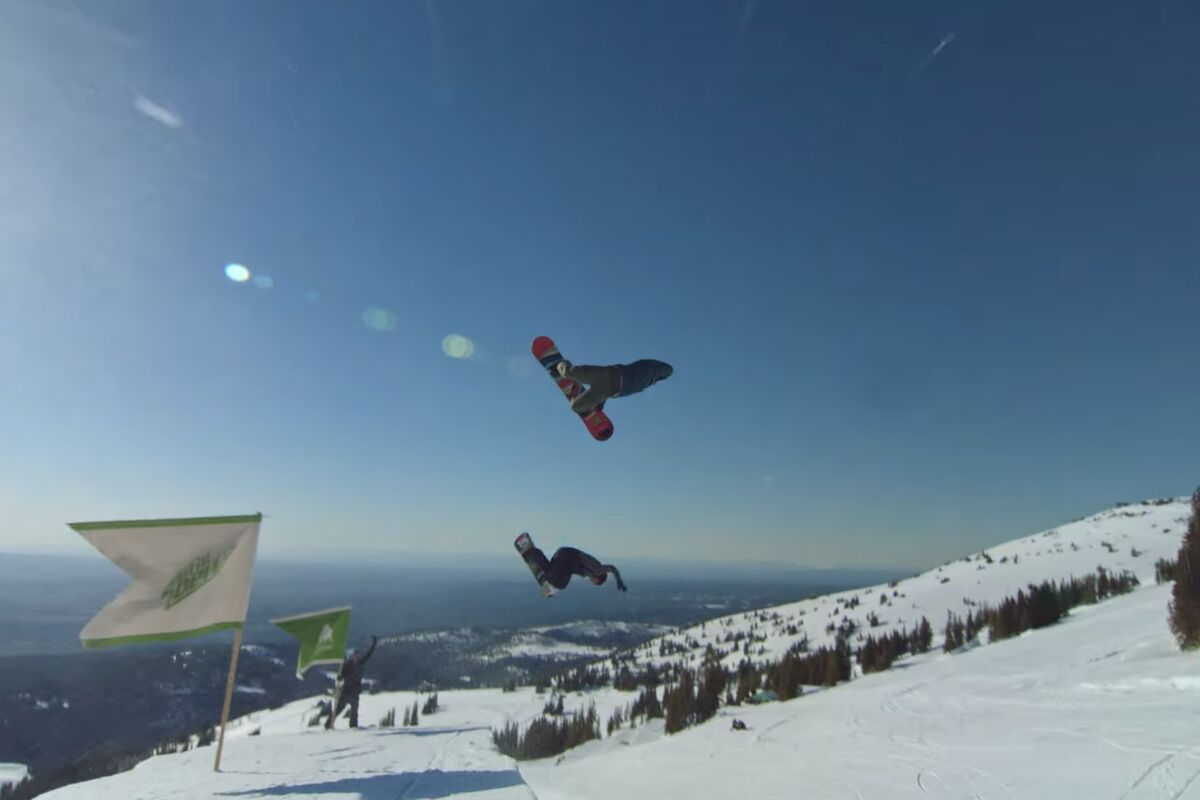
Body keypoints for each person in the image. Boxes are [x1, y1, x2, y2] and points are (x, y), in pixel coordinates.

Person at [555, 357, 673, 415]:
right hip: (606, 375)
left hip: (607, 392)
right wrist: (660, 374)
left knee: (575, 407)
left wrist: (600, 401)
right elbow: (669, 369)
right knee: (570, 373)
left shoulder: (643, 385)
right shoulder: (648, 367)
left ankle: (593, 404)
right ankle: (560, 364)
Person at [524, 544, 628, 593]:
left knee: (561, 584)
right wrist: (619, 581)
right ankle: (534, 553)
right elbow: (612, 568)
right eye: (595, 583)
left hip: (565, 559)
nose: (592, 582)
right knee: (553, 576)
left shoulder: (588, 573)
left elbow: (568, 574)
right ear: (598, 578)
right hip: (567, 556)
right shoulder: (597, 569)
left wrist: (556, 584)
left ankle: (549, 576)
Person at [325, 635, 378, 730]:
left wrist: (374, 644)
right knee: (338, 709)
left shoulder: (361, 663)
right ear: (352, 656)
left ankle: (353, 727)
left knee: (354, 711)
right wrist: (340, 677)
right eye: (355, 655)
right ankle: (328, 724)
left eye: (358, 655)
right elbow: (340, 675)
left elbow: (368, 654)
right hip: (346, 691)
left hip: (355, 691)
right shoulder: (347, 665)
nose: (357, 657)